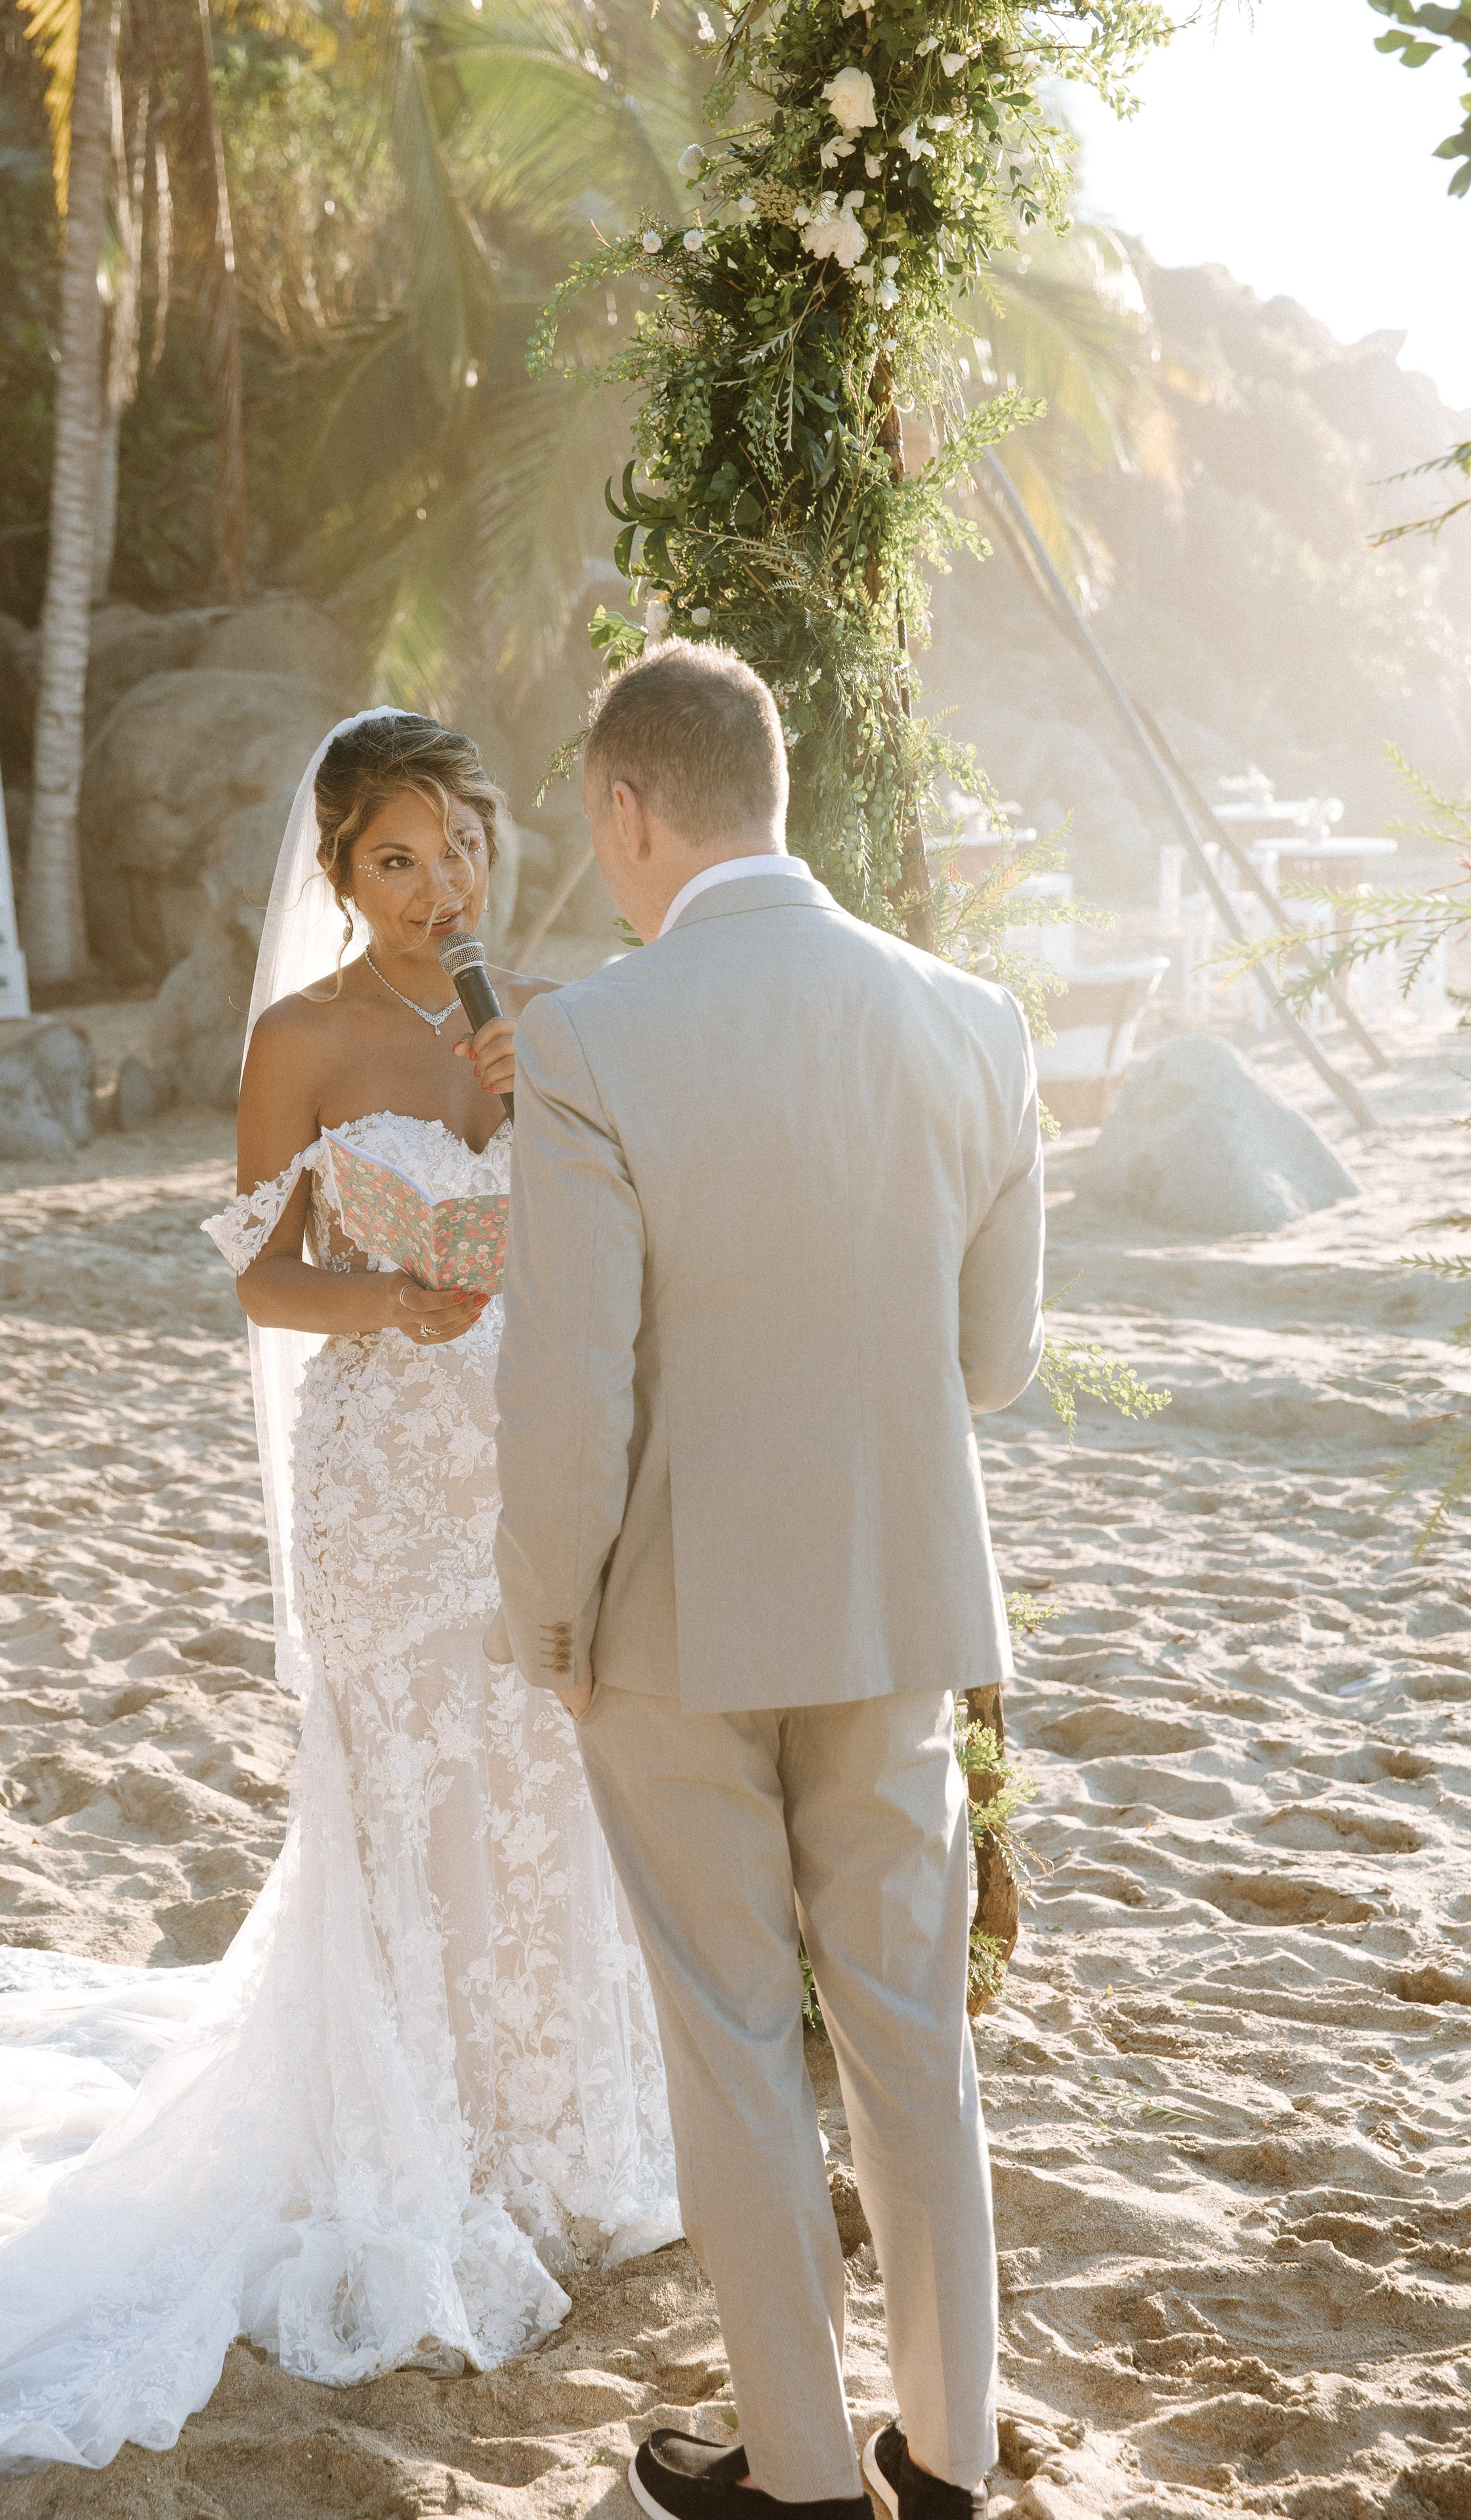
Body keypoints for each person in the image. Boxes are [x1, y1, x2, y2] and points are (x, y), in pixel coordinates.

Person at [0, 709, 676, 2519]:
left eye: (465, 851)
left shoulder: (542, 1024)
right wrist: (396, 1304)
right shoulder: (298, 1040)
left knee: (529, 1786)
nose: (443, 889)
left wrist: (535, 1108)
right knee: (400, 1795)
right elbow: (267, 1279)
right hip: (376, 1478)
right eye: (400, 859)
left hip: (524, 1461)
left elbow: (605, 1242)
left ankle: (537, 2136)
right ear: (340, 873)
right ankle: (402, 2152)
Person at [493, 644, 1044, 2520]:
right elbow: (991, 1366)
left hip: (673, 1628)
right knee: (913, 2043)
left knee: (733, 2050)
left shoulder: (584, 1043)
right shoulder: (980, 1023)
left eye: (601, 833)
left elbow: (572, 1389)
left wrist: (551, 1624)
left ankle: (799, 2483)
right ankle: (953, 2464)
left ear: (634, 811)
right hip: (898, 1617)